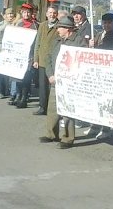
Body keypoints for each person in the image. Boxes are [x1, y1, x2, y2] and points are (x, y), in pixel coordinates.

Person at [39, 15, 85, 149]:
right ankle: (51, 134)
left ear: (68, 29)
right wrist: (50, 74)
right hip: (55, 80)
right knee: (52, 108)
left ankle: (68, 138)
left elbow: (84, 59)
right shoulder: (56, 40)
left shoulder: (78, 41)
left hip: (70, 83)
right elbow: (48, 57)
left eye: (60, 28)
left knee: (67, 110)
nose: (58, 30)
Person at [84, 12, 113, 139]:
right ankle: (94, 126)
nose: (106, 25)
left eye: (109, 23)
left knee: (105, 102)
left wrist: (99, 47)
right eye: (105, 23)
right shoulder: (99, 35)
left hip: (108, 75)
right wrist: (91, 46)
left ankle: (106, 129)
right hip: (96, 73)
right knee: (95, 101)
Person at [31, 6, 59, 115]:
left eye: (54, 13)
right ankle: (42, 107)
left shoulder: (59, 27)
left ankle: (53, 109)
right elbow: (37, 43)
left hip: (53, 62)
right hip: (42, 60)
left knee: (52, 86)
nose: (52, 15)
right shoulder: (42, 25)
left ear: (56, 14)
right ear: (46, 14)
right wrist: (35, 59)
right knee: (42, 86)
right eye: (50, 13)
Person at [12, 3, 39, 108]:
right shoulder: (19, 24)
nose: (26, 14)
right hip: (19, 54)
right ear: (21, 13)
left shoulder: (36, 25)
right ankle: (18, 96)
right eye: (24, 12)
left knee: (26, 78)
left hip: (29, 55)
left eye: (28, 12)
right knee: (18, 77)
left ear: (31, 13)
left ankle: (24, 98)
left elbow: (37, 42)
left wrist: (34, 57)